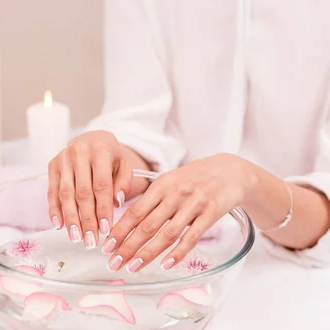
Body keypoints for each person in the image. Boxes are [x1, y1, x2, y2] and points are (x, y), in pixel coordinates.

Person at [47, 0, 330, 272]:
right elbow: (139, 126)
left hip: (302, 274)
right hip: (173, 263)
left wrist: (248, 180)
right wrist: (109, 155)